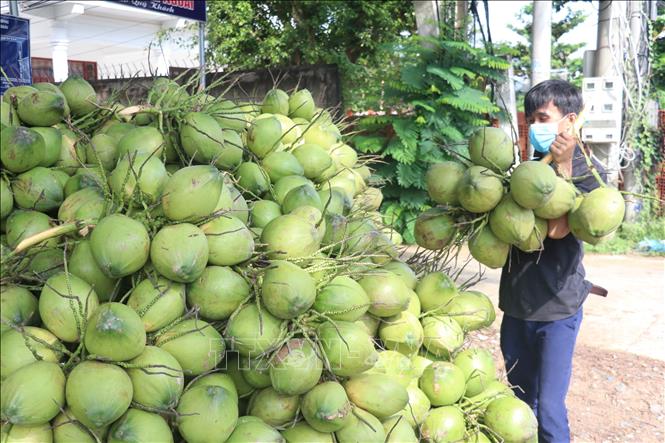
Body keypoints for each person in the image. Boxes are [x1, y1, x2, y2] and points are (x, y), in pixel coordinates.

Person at [499, 79, 607, 443]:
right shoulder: (524, 172)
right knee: (519, 401)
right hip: (516, 305)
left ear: (570, 121)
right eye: (531, 119)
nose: (535, 125)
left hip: (557, 308)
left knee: (548, 409)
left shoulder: (590, 175)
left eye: (543, 117)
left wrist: (562, 166)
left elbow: (559, 228)